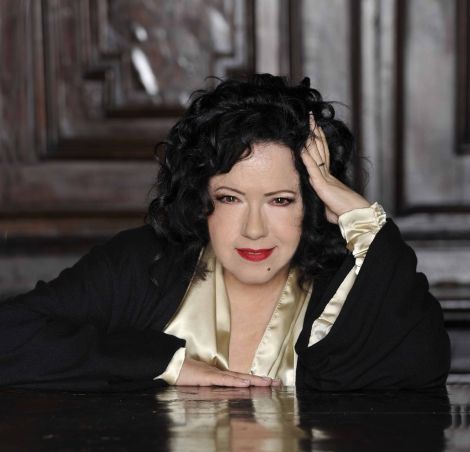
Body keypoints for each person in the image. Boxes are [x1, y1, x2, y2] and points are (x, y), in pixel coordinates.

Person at [0, 74, 450, 391]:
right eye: (230, 198)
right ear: (200, 197)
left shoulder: (338, 282)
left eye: (280, 200)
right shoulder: (144, 264)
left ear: (313, 202)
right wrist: (163, 363)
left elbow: (422, 364)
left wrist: (364, 222)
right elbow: (10, 335)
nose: (254, 230)